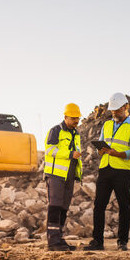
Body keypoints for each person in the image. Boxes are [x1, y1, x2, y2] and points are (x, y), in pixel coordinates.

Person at [85, 93, 130, 251]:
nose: (114, 112)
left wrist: (120, 154)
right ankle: (97, 241)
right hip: (105, 169)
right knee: (99, 205)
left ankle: (122, 242)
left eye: (117, 110)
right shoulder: (107, 125)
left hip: (123, 170)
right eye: (112, 110)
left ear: (125, 107)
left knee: (124, 206)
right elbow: (99, 148)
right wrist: (99, 151)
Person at [43, 103, 83, 251]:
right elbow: (50, 150)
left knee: (64, 207)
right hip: (56, 175)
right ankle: (52, 242)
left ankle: (58, 238)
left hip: (69, 175)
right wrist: (69, 154)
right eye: (73, 118)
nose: (76, 121)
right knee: (55, 205)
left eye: (77, 119)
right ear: (65, 117)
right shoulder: (56, 131)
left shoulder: (76, 134)